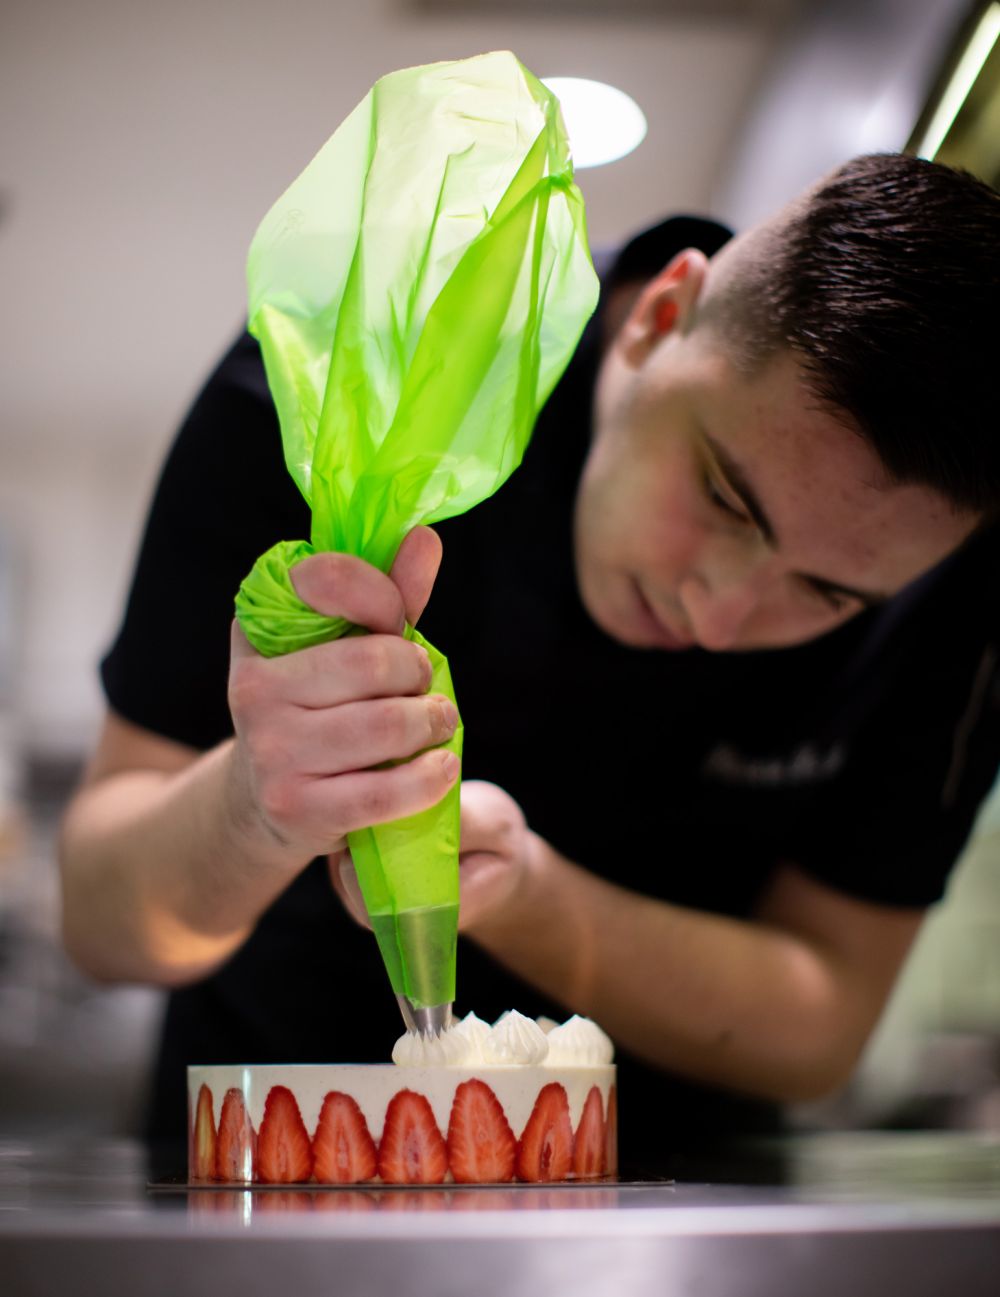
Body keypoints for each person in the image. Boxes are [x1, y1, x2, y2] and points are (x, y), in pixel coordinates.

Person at [59, 153, 1000, 1169]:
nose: (718, 615)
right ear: (658, 316)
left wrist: (527, 893)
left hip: (668, 1220)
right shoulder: (357, 380)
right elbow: (105, 923)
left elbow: (819, 1028)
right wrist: (257, 803)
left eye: (828, 596)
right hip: (271, 1181)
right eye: (725, 500)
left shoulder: (953, 577)